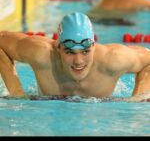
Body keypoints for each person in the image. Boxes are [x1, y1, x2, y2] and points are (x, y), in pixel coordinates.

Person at [0, 12, 150, 101]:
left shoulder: (113, 59)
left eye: (85, 51)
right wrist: (16, 91)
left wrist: (138, 98)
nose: (78, 61)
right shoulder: (41, 54)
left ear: (93, 45)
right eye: (70, 52)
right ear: (58, 48)